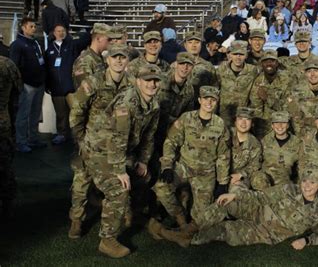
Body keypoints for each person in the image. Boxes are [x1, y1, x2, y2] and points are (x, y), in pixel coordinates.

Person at [72, 62, 162, 258]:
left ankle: (130, 214)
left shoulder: (153, 104)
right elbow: (116, 138)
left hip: (121, 151)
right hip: (100, 151)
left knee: (144, 177)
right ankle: (107, 239)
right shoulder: (127, 103)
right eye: (148, 80)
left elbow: (148, 137)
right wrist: (120, 171)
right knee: (118, 188)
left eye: (156, 80)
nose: (152, 84)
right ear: (138, 81)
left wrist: (143, 161)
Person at [155, 168, 318, 249]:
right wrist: (235, 196)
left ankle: (188, 238)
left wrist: (306, 241)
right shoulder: (289, 188)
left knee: (225, 229)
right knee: (225, 203)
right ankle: (189, 228)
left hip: (266, 231)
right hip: (259, 210)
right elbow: (262, 197)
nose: (307, 186)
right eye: (305, 181)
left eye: (312, 183)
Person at [67, 44, 134, 241]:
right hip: (91, 143)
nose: (119, 61)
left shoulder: (131, 83)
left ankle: (122, 214)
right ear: (108, 60)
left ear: (127, 60)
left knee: (119, 180)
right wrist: (80, 139)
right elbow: (77, 111)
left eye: (123, 57)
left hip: (116, 146)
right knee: (82, 179)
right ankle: (76, 220)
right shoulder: (93, 82)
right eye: (115, 57)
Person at [151, 86, 230, 234]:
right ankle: (180, 218)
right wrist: (167, 166)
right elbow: (171, 142)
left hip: (206, 173)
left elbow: (223, 155)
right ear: (199, 100)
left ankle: (190, 227)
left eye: (213, 100)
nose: (209, 102)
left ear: (217, 102)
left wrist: (223, 183)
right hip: (184, 166)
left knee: (202, 216)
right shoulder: (186, 118)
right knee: (161, 187)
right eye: (206, 99)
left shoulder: (220, 125)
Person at [44, 24, 90, 144]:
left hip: (70, 87)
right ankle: (62, 134)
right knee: (61, 114)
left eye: (63, 31)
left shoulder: (72, 45)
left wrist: (86, 31)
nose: (61, 33)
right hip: (56, 88)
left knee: (76, 112)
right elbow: (47, 69)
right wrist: (47, 85)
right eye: (58, 31)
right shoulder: (49, 50)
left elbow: (85, 39)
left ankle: (77, 135)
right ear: (54, 33)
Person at [9, 17, 46, 153]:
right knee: (23, 114)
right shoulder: (17, 45)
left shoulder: (35, 43)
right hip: (27, 85)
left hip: (38, 83)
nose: (34, 29)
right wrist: (20, 84)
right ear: (23, 27)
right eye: (31, 26)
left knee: (35, 113)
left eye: (34, 26)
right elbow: (14, 66)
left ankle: (33, 138)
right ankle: (21, 141)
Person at [285, 58, 318, 136]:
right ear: (305, 74)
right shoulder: (296, 92)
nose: (312, 74)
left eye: (316, 71)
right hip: (303, 136)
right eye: (309, 71)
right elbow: (294, 118)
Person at [251, 111, 300, 190]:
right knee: (258, 179)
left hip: (284, 180)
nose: (280, 126)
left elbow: (301, 167)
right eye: (276, 122)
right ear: (272, 126)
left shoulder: (297, 143)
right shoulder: (264, 141)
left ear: (288, 125)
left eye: (283, 122)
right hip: (265, 179)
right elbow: (255, 162)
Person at [248, 50, 291, 139]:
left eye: (272, 61)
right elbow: (256, 110)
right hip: (262, 128)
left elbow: (288, 107)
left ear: (277, 63)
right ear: (261, 64)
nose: (269, 64)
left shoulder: (286, 80)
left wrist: (267, 98)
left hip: (282, 125)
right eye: (265, 61)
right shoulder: (257, 82)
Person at [0, 56, 22, 218]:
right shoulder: (8, 64)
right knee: (5, 166)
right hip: (4, 123)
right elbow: (17, 92)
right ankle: (8, 205)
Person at [216, 41, 258, 127]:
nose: (238, 57)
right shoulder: (221, 69)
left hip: (243, 116)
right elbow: (215, 92)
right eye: (235, 54)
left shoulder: (253, 70)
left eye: (241, 54)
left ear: (246, 55)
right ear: (230, 55)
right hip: (224, 116)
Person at [226, 107, 262, 191]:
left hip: (239, 178)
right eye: (240, 118)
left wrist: (240, 175)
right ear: (235, 121)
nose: (243, 123)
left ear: (252, 123)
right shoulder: (225, 134)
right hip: (218, 174)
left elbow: (254, 165)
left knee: (237, 193)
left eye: (248, 119)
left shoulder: (255, 144)